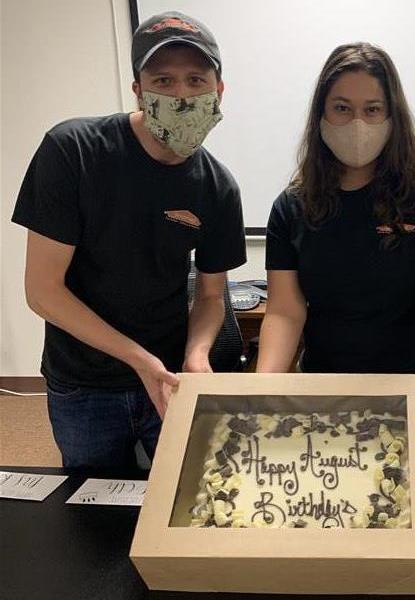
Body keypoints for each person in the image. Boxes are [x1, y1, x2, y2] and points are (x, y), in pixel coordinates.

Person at [11, 12, 246, 469]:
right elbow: (42, 290)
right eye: (164, 79)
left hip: (170, 377)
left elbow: (212, 295)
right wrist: (139, 360)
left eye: (196, 79)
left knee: (182, 499)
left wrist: (196, 355)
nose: (181, 94)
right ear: (138, 89)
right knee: (93, 515)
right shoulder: (72, 151)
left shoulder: (218, 187)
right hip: (84, 382)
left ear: (218, 91)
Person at [256, 43, 415, 472]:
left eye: (372, 110)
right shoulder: (291, 207)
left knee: (410, 527)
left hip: (413, 399)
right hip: (322, 394)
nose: (357, 123)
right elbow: (284, 311)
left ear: (393, 117)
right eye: (341, 108)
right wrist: (263, 390)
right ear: (320, 115)